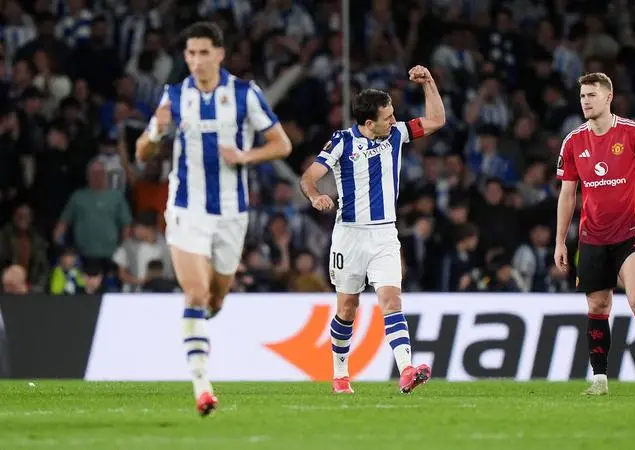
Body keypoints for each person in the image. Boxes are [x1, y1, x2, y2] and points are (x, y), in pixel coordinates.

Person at [134, 22, 292, 416]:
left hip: (232, 215)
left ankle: (197, 329)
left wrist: (246, 156)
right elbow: (141, 153)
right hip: (186, 210)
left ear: (220, 54)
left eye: (204, 52)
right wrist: (155, 133)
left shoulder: (244, 94)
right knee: (195, 294)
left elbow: (282, 144)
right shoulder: (174, 95)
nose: (197, 60)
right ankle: (202, 386)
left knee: (216, 299)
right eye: (191, 53)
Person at [299, 65, 445, 395]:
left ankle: (406, 370)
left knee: (391, 300)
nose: (394, 120)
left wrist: (429, 83)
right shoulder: (341, 142)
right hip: (349, 236)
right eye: (388, 117)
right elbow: (308, 177)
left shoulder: (396, 135)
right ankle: (340, 375)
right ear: (369, 123)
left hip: (384, 235)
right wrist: (316, 195)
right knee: (347, 308)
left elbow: (436, 120)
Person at [554, 72, 635, 397]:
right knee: (598, 307)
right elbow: (568, 194)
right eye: (582, 96)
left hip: (630, 234)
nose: (585, 101)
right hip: (592, 237)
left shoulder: (633, 132)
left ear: (608, 97)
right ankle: (599, 380)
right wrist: (560, 240)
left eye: (591, 95)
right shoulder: (574, 141)